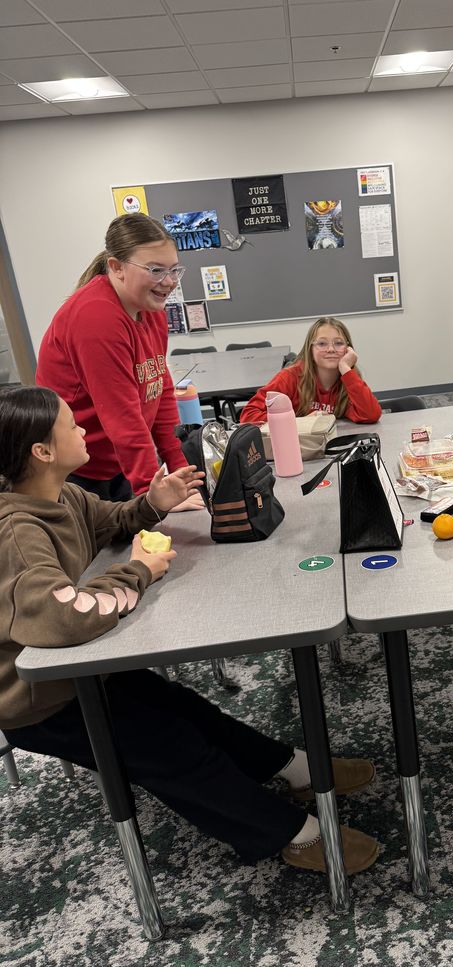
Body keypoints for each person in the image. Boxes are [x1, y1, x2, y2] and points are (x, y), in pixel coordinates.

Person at [0, 385, 379, 875]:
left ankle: (291, 767)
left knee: (188, 710)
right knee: (172, 752)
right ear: (42, 451)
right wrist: (137, 570)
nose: (82, 429)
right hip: (40, 703)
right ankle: (293, 835)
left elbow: (110, 520)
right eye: (72, 424)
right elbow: (64, 617)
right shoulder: (16, 534)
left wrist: (152, 503)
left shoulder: (63, 495)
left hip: (76, 677)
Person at [36, 213, 190, 500]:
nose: (169, 282)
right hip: (80, 473)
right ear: (117, 267)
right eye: (156, 270)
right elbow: (122, 415)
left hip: (121, 461)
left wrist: (183, 471)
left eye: (174, 270)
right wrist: (149, 496)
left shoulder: (149, 308)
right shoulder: (96, 317)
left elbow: (160, 388)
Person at [240, 316, 381, 425]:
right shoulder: (290, 377)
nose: (331, 349)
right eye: (322, 343)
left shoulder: (349, 378)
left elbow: (371, 415)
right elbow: (248, 416)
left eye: (338, 343)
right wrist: (301, 423)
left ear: (348, 349)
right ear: (310, 349)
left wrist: (345, 368)